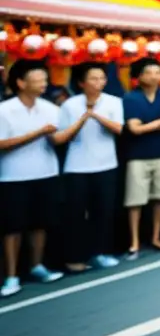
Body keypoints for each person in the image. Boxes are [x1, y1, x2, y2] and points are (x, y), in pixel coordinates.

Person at [0, 60, 78, 297]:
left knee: (40, 223)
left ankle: (37, 266)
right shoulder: (5, 110)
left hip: (46, 173)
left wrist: (79, 123)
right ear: (21, 82)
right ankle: (11, 276)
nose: (44, 83)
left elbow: (57, 139)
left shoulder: (51, 108)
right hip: (12, 177)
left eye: (45, 79)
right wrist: (37, 133)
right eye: (38, 79)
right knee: (12, 228)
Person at [59, 62, 125, 272]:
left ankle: (101, 253)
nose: (99, 83)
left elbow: (118, 129)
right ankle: (75, 257)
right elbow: (63, 136)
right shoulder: (70, 105)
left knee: (103, 212)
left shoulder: (113, 102)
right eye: (93, 79)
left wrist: (95, 115)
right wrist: (83, 117)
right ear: (81, 82)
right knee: (75, 214)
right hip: (77, 167)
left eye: (101, 78)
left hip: (106, 165)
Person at [122, 57, 160, 258]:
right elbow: (134, 129)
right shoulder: (131, 98)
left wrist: (152, 125)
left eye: (158, 72)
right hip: (137, 156)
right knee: (135, 200)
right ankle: (134, 241)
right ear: (139, 76)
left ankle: (156, 237)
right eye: (149, 72)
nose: (154, 76)